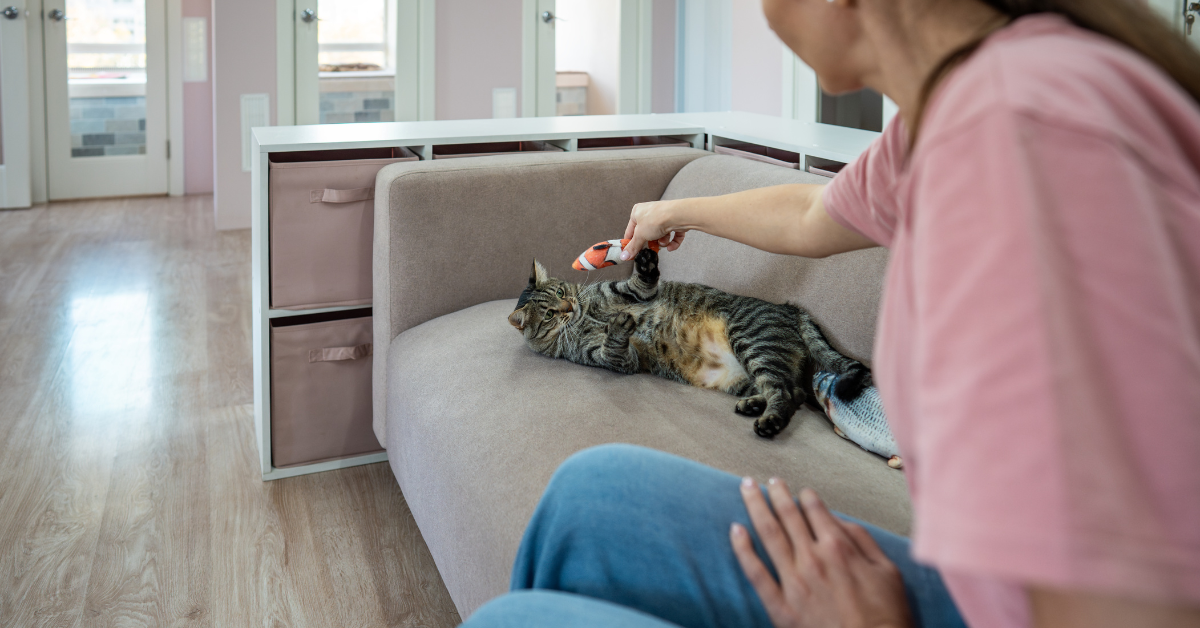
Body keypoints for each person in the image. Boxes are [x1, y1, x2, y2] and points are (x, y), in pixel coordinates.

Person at [462, 0, 1200, 626]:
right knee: (590, 496)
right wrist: (670, 210)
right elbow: (816, 211)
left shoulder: (1018, 141)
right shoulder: (954, 114)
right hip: (992, 592)